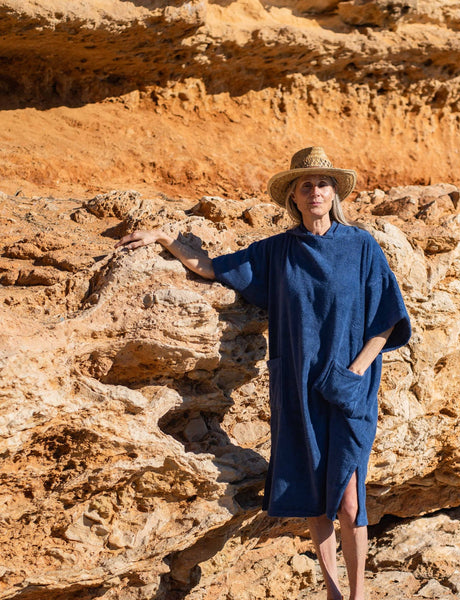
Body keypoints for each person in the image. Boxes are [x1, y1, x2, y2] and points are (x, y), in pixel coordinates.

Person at [116, 147, 411, 600]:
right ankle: (331, 591)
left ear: (334, 194)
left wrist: (354, 372)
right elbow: (214, 268)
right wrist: (162, 237)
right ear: (293, 196)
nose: (316, 191)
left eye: (323, 184)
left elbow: (387, 317)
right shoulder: (278, 251)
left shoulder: (360, 246)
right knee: (315, 495)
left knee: (350, 500)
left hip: (351, 388)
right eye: (307, 184)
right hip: (298, 387)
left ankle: (358, 594)